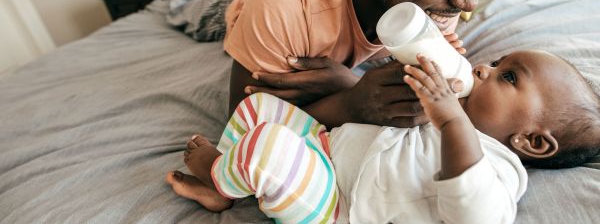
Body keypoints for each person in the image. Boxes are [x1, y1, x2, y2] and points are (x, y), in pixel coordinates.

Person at [171, 0, 521, 196]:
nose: (469, 3)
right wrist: (350, 103)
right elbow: (242, 126)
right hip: (241, 0)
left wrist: (349, 83)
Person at [166, 50, 600, 223]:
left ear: (532, 142)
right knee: (258, 109)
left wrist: (451, 120)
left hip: (338, 208)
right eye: (493, 62)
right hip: (326, 148)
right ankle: (233, 178)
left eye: (507, 77)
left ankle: (219, 177)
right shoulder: (444, 110)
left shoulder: (498, 171)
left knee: (268, 148)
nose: (482, 69)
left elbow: (476, 215)